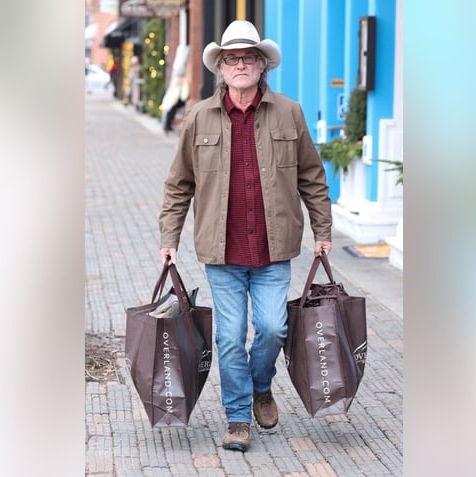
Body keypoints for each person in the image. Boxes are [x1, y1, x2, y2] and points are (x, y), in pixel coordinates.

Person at [158, 20, 332, 453]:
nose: (240, 64)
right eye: (232, 58)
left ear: (261, 65)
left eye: (248, 57)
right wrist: (169, 239)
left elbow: (312, 175)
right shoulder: (199, 117)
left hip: (274, 249)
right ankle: (237, 418)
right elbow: (179, 183)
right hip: (223, 253)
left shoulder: (289, 111)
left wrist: (323, 230)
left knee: (273, 328)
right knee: (230, 337)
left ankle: (262, 387)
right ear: (221, 66)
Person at [161, 65, 190, 134]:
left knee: (170, 110)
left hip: (174, 100)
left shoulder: (177, 80)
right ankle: (167, 126)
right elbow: (184, 92)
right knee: (170, 110)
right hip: (175, 99)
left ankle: (167, 126)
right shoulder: (181, 80)